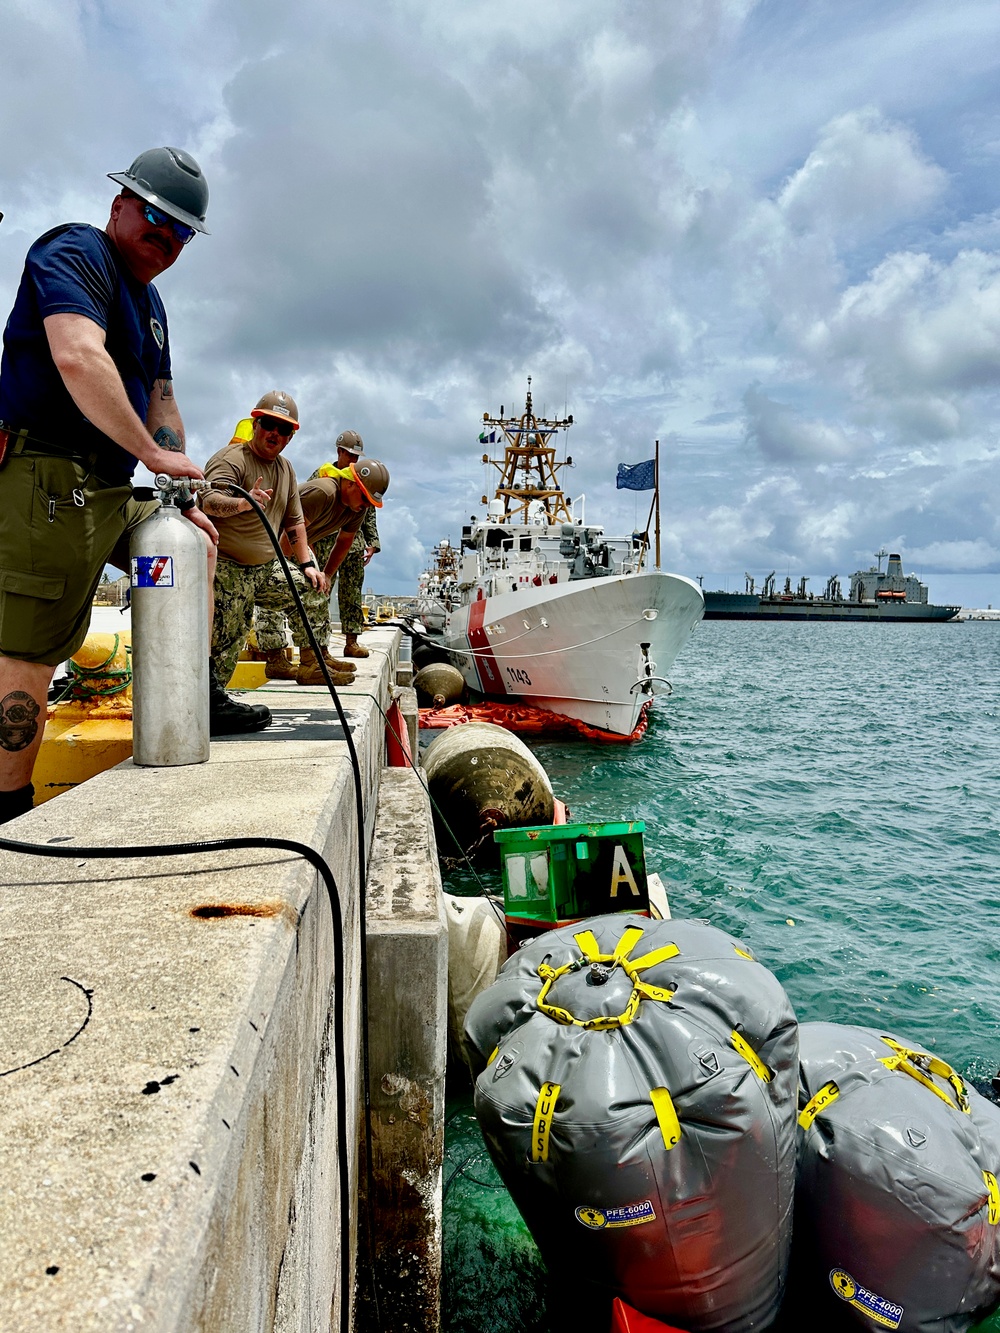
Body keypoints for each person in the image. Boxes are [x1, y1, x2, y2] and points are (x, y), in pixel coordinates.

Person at [0, 146, 221, 825]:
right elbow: (76, 353)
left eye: (181, 231)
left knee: (193, 547)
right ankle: (8, 810)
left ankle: (196, 697)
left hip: (110, 484)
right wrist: (152, 450)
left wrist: (177, 477)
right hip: (47, 475)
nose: (166, 237)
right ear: (120, 204)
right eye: (156, 217)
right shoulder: (74, 252)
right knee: (28, 651)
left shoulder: (152, 305)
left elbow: (162, 401)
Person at [200, 390, 354, 699]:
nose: (274, 433)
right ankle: (207, 702)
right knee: (227, 638)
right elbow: (208, 501)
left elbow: (294, 522)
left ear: (290, 437)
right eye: (269, 424)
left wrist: (309, 564)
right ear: (255, 424)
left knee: (310, 590)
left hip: (266, 568)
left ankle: (311, 665)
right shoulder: (230, 460)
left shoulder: (286, 470)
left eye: (283, 429)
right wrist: (244, 503)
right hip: (228, 569)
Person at [255, 452, 389, 684]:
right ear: (349, 483)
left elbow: (344, 542)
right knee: (283, 595)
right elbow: (288, 532)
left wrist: (326, 574)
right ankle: (276, 659)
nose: (366, 506)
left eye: (370, 502)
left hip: (297, 548)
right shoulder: (324, 492)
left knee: (317, 590)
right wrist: (297, 567)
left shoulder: (357, 508)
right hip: (266, 547)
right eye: (365, 498)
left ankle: (319, 656)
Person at [325, 430, 380, 660]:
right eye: (350, 455)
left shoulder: (364, 478)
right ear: (339, 452)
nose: (354, 461)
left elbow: (369, 512)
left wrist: (373, 542)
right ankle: (319, 646)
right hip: (327, 544)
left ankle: (351, 642)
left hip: (354, 545)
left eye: (357, 457)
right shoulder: (324, 475)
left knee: (352, 594)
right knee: (321, 593)